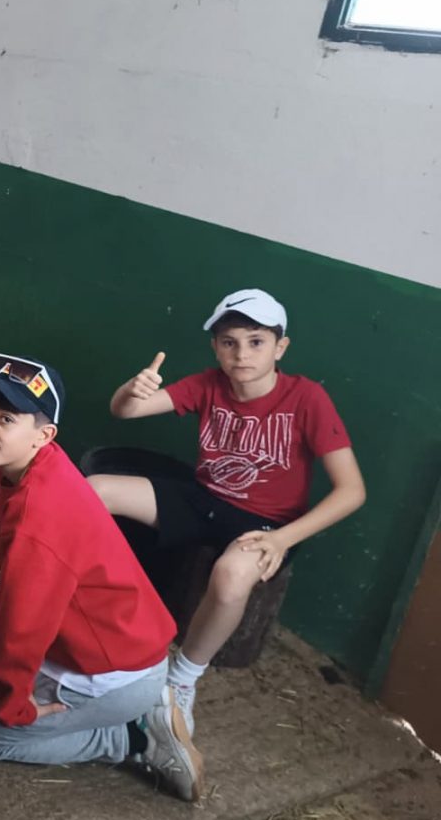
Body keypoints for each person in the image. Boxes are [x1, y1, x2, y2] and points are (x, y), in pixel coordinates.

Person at [88, 289, 365, 732]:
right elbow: (126, 411)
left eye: (256, 342)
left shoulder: (307, 398)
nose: (241, 354)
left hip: (268, 524)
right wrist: (130, 391)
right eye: (229, 342)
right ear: (215, 347)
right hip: (205, 499)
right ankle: (78, 605)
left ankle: (182, 679)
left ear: (280, 347)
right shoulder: (208, 383)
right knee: (94, 489)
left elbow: (352, 491)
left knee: (232, 575)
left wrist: (282, 538)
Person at [0, 354, 204, 802]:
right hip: (107, 640)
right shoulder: (28, 463)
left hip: (114, 671)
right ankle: (138, 710)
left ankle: (133, 738)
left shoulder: (41, 513)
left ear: (44, 435)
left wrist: (15, 706)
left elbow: (23, 623)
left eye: (6, 419)